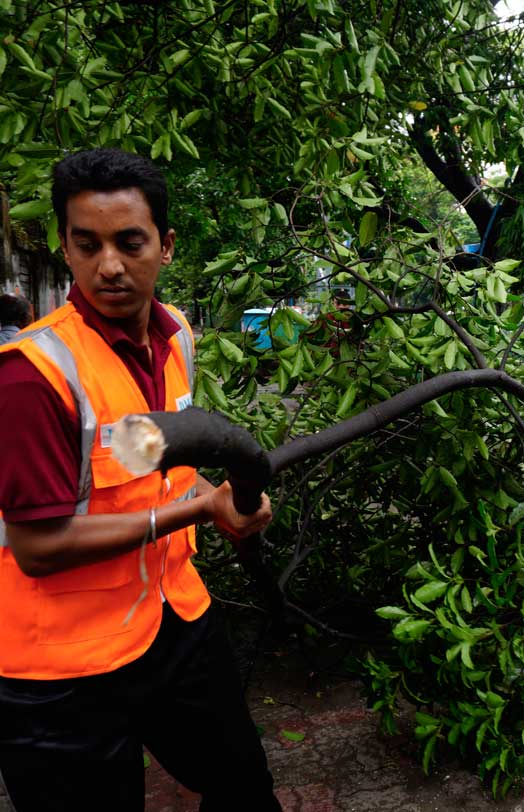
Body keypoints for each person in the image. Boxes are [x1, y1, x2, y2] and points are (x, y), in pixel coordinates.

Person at [0, 148, 282, 811]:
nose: (109, 266)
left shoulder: (176, 335)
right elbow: (38, 549)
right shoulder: (32, 376)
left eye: (129, 242)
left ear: (165, 245)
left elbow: (156, 473)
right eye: (87, 244)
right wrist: (201, 510)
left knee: (245, 787)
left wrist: (221, 501)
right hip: (59, 672)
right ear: (64, 249)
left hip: (171, 618)